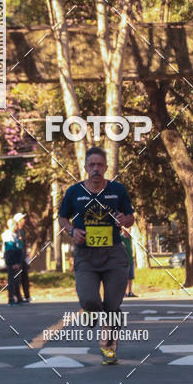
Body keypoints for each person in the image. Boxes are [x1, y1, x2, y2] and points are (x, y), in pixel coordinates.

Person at [58, 146, 134, 365]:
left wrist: (124, 219)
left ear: (106, 167)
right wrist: (72, 231)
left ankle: (108, 348)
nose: (96, 169)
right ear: (85, 167)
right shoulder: (74, 192)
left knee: (112, 305)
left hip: (113, 255)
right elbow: (62, 218)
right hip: (86, 256)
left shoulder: (117, 190)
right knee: (90, 299)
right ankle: (91, 311)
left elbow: (130, 217)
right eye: (92, 165)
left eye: (100, 165)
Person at [2, 216, 24, 305]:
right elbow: (10, 250)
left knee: (17, 280)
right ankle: (11, 298)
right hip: (12, 260)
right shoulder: (7, 235)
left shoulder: (15, 235)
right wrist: (13, 263)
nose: (17, 227)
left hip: (17, 259)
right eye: (15, 225)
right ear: (11, 225)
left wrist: (19, 262)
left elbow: (19, 249)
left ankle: (18, 297)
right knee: (11, 280)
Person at [13, 213, 31, 303]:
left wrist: (27, 254)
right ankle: (17, 296)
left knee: (25, 276)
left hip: (23, 256)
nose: (24, 220)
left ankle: (27, 296)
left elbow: (24, 244)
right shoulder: (15, 231)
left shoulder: (23, 231)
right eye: (22, 219)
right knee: (17, 277)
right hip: (17, 256)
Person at [121, 227, 136, 297]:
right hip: (124, 261)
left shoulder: (129, 238)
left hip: (130, 260)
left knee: (130, 277)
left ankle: (130, 291)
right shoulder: (121, 238)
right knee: (124, 277)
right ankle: (123, 292)